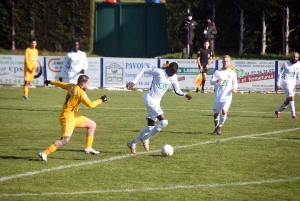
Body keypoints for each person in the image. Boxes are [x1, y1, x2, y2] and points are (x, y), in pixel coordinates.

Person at [126, 62, 192, 154]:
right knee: (164, 122)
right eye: (171, 72)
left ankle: (132, 143)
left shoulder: (173, 77)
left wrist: (185, 94)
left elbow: (177, 91)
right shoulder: (159, 72)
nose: (171, 74)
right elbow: (144, 70)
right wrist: (134, 82)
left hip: (156, 102)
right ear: (168, 68)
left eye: (174, 73)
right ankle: (146, 138)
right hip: (149, 99)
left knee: (150, 127)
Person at [38, 75, 107, 161]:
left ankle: (88, 147)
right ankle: (45, 153)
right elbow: (91, 104)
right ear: (83, 84)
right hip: (67, 119)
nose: (88, 85)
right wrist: (101, 100)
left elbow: (62, 84)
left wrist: (50, 81)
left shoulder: (72, 86)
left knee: (92, 124)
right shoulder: (81, 93)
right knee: (65, 140)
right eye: (88, 83)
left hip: (73, 117)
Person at [210, 55, 237, 135]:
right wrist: (216, 81)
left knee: (224, 111)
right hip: (218, 96)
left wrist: (234, 88)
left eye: (227, 61)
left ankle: (219, 127)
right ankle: (216, 128)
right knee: (216, 113)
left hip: (227, 96)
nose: (225, 63)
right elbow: (211, 82)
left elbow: (235, 83)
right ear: (222, 62)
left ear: (229, 62)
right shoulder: (217, 72)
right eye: (224, 61)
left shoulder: (232, 73)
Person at [275, 52, 300, 119]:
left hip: (293, 84)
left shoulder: (298, 64)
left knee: (288, 100)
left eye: (296, 57)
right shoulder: (286, 64)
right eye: (294, 57)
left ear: (298, 58)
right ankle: (293, 115)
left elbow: (299, 75)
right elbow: (280, 74)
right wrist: (278, 84)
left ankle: (278, 111)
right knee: (291, 97)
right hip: (286, 82)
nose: (295, 58)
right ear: (292, 57)